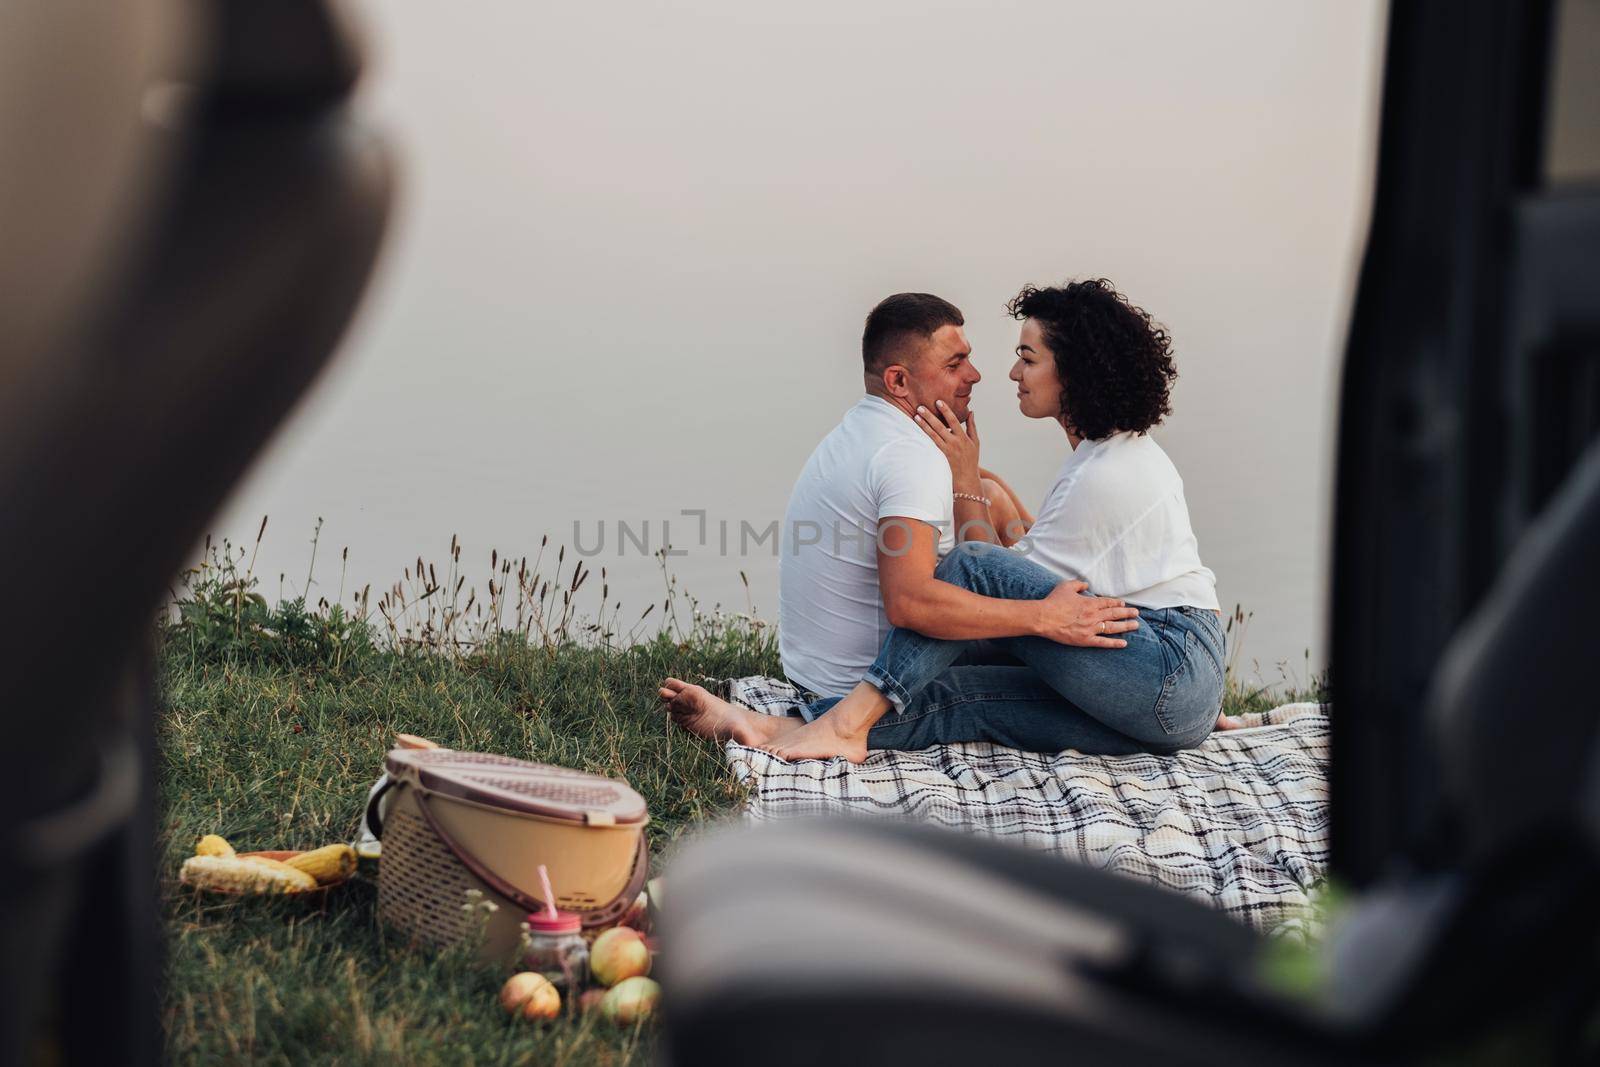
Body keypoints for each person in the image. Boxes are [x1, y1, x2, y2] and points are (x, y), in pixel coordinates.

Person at [662, 279, 1236, 762]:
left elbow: (989, 588)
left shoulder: (1102, 475)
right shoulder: (1110, 455)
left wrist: (965, 482)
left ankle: (845, 725)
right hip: (1172, 695)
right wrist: (985, 489)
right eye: (961, 362)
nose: (1005, 373)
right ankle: (767, 728)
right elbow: (1034, 569)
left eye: (1028, 358)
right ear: (899, 381)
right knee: (966, 698)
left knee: (966, 563)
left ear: (1076, 375)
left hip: (1167, 671)